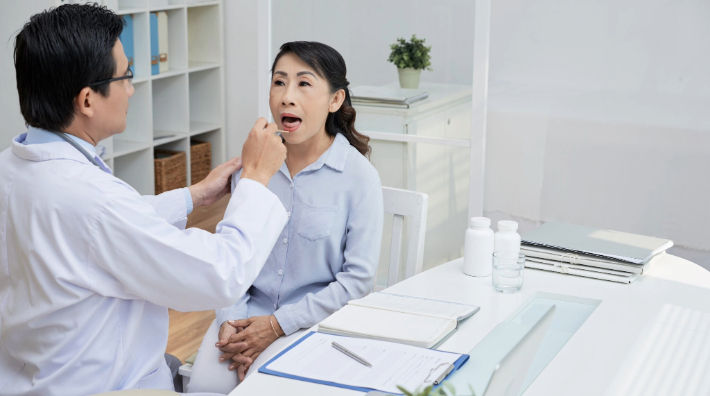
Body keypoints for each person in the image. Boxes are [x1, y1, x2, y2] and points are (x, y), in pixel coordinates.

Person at [0, 4, 288, 395]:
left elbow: (95, 232)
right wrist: (256, 178)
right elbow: (219, 275)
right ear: (87, 100)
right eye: (126, 75)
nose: (132, 89)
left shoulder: (14, 167)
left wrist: (192, 196)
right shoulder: (91, 201)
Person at [186, 41, 383, 393]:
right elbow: (229, 252)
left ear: (335, 100)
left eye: (304, 83)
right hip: (241, 318)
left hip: (313, 323)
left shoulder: (358, 176)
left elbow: (357, 282)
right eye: (279, 82)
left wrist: (276, 325)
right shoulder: (255, 166)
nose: (287, 97)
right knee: (202, 387)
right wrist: (230, 322)